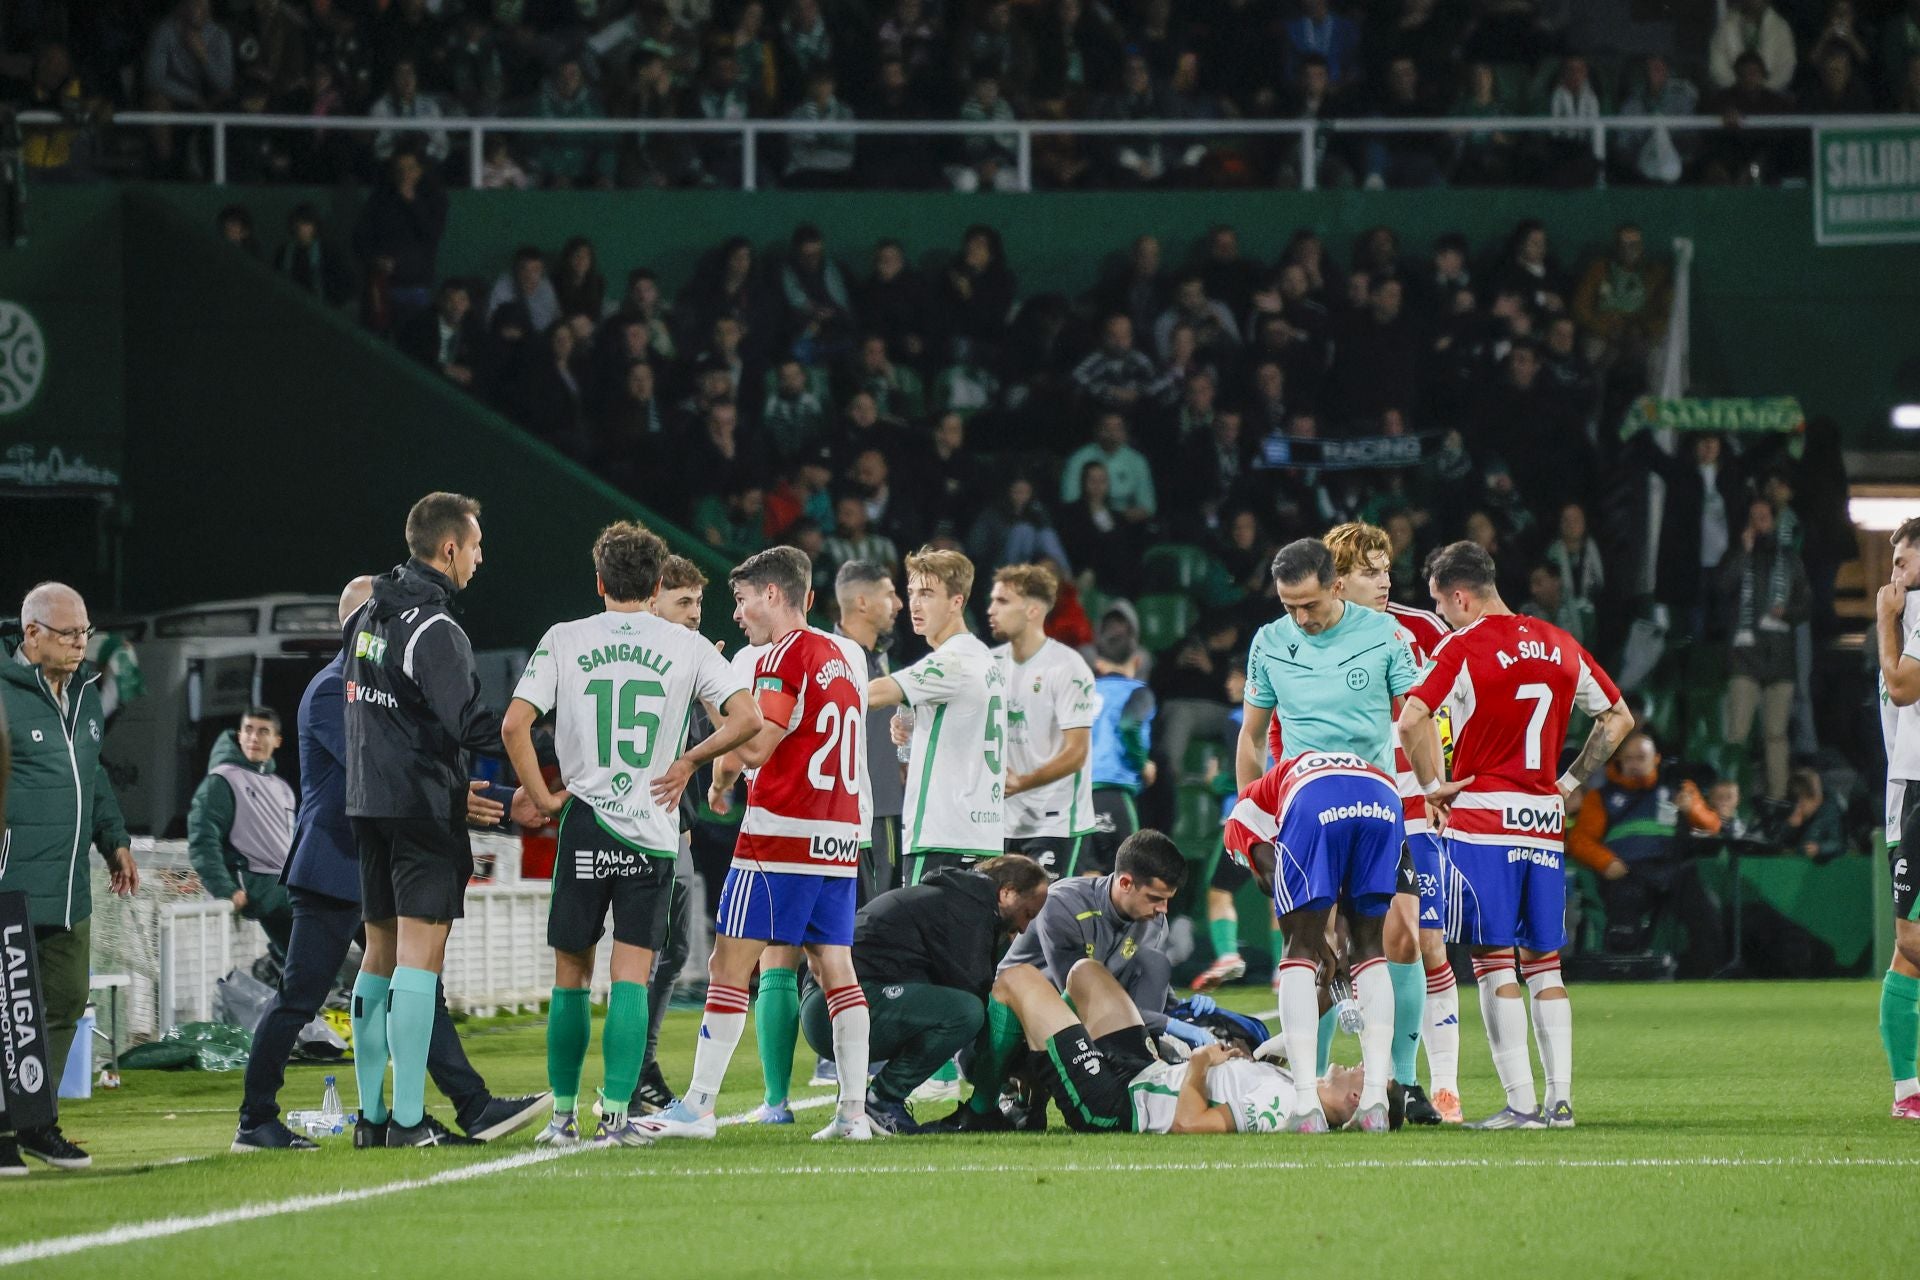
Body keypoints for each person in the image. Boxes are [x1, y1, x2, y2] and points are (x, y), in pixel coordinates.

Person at [234, 578, 547, 1153]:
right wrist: (482, 801)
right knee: (302, 996)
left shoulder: (365, 687)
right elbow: (379, 773)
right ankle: (257, 1118)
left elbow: (409, 771)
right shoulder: (334, 690)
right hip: (337, 865)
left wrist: (496, 804)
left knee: (414, 983)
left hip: (374, 852)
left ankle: (453, 1108)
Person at [503, 523, 760, 1148]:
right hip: (651, 827)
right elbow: (747, 718)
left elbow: (515, 725)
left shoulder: (564, 638)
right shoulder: (688, 645)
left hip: (586, 818)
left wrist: (541, 798)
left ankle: (562, 1118)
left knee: (569, 974)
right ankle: (615, 1117)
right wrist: (690, 762)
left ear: (599, 582)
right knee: (630, 975)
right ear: (655, 586)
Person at [1397, 541, 1633, 1130]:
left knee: (1493, 961)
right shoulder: (1558, 642)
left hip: (1483, 820)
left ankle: (1521, 1103)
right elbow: (1619, 717)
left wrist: (1430, 787)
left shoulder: (1464, 646)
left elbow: (1411, 718)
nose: (1443, 616)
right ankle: (1560, 1101)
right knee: (1545, 965)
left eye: (1441, 604)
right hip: (1543, 822)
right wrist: (1570, 781)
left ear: (1458, 596)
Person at [643, 547, 875, 1142]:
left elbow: (754, 748)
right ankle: (853, 1114)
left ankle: (697, 1106)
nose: (738, 613)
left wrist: (706, 696)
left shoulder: (781, 656)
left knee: (728, 964)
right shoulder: (839, 657)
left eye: (743, 599)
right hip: (839, 837)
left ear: (773, 595)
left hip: (781, 836)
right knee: (836, 972)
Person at [342, 493, 507, 1148]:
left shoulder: (368, 614)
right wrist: (539, 729)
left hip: (368, 802)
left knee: (378, 954)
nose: (479, 557)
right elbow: (467, 722)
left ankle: (371, 1118)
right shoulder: (435, 628)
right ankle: (409, 1120)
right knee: (420, 959)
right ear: (449, 549)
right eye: (475, 546)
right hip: (419, 806)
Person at [1318, 521, 1457, 1124]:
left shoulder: (1422, 630)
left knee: (1407, 932)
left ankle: (1403, 1080)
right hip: (1329, 798)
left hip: (1405, 799)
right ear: (1339, 581)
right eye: (1371, 572)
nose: (1385, 581)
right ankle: (1311, 1077)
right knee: (1322, 939)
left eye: (1387, 569)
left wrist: (1436, 779)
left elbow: (1449, 707)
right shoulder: (1307, 632)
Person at [0, 583, 137, 1174]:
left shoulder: (83, 695)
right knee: (9, 1014)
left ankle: (34, 1123)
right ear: (32, 634)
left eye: (86, 631)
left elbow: (93, 776)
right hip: (12, 886)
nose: (82, 643)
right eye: (69, 633)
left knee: (63, 1002)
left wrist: (116, 840)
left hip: (68, 888)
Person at [943, 831, 1199, 1131]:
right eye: (1155, 898)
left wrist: (1191, 1014)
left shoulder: (1154, 923)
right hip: (994, 1044)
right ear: (1125, 882)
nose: (1162, 910)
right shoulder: (1064, 904)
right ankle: (989, 1103)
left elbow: (1132, 1003)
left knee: (1146, 967)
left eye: (1168, 901)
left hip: (1068, 1039)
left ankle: (1037, 1103)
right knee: (1067, 977)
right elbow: (1074, 995)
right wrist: (1170, 1026)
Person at [1223, 749, 1407, 1132]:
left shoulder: (1241, 822)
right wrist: (1335, 944)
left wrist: (1310, 936)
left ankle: (1307, 1107)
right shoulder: (1282, 784)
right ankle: (1375, 1102)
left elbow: (1274, 881)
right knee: (1369, 947)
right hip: (1385, 797)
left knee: (1298, 949)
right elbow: (1345, 928)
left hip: (1316, 798)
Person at [800, 855, 1051, 1134]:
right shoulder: (968, 912)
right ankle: (880, 1100)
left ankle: (860, 1098)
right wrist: (1008, 1070)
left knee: (963, 1010)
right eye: (1027, 913)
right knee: (965, 1012)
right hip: (831, 1007)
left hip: (836, 1001)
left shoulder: (962, 899)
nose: (1025, 927)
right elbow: (975, 1002)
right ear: (1006, 893)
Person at [991, 958, 1385, 1134]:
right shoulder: (1298, 1092)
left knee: (1019, 980)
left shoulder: (1281, 1108)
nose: (1363, 1068)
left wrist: (1200, 1062)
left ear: (1355, 1098)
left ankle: (982, 1108)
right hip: (1147, 1070)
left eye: (1369, 1077)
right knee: (1086, 974)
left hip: (1118, 1105)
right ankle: (1038, 1082)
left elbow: (1189, 1124)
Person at [869, 548, 1007, 886]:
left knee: (908, 938)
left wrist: (813, 684)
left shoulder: (950, 661)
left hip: (942, 836)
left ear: (956, 602)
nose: (914, 604)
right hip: (982, 835)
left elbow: (872, 695)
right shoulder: (984, 658)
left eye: (927, 594)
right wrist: (916, 728)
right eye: (912, 593)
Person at [1566, 732, 1727, 977]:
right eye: (1628, 759)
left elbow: (1712, 825)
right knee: (1623, 923)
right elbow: (1580, 840)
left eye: (1641, 758)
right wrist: (1605, 861)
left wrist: (1692, 808)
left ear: (1656, 759)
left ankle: (1701, 976)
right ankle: (1623, 975)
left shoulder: (1679, 788)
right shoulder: (1601, 798)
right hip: (1628, 871)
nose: (1634, 764)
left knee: (1705, 918)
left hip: (1673, 870)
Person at [988, 565, 1096, 876]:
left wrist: (1023, 782)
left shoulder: (1067, 667)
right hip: (1001, 821)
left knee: (1045, 921)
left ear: (1033, 610)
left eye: (1003, 601)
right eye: (993, 600)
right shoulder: (990, 664)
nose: (991, 610)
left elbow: (1077, 752)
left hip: (1055, 822)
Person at [187, 707, 297, 964]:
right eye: (248, 730)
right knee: (311, 961)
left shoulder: (282, 788)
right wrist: (226, 889)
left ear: (277, 741)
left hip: (287, 889)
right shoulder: (221, 781)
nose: (253, 738)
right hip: (256, 886)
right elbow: (203, 841)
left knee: (315, 963)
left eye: (263, 731)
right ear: (239, 736)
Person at [1718, 498, 1810, 803]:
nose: (1760, 523)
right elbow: (1722, 589)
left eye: (1764, 517)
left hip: (1779, 659)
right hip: (1744, 659)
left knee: (1776, 736)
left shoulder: (1791, 559)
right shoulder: (1737, 556)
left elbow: (1807, 605)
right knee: (1737, 735)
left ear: (1773, 520)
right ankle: (1732, 804)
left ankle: (1777, 801)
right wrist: (1742, 554)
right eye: (1754, 518)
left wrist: (1787, 612)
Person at [1875, 517, 1920, 1120]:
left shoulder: (1909, 619)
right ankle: (1907, 1092)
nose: (1893, 579)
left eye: (1903, 566)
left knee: (1909, 940)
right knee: (1907, 951)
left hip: (1917, 789)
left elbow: (1903, 687)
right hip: (1905, 788)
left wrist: (1887, 620)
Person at [834, 561, 906, 902]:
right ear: (862, 603)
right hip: (863, 811)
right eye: (890, 595)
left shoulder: (881, 658)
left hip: (881, 805)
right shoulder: (833, 658)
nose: (899, 605)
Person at [1083, 604, 1157, 878]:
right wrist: (1142, 763)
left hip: (1081, 793)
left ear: (1098, 664)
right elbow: (1129, 724)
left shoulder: (1084, 692)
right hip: (1115, 791)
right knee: (1127, 874)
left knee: (1088, 874)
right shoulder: (1139, 693)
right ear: (1137, 662)